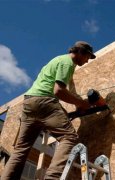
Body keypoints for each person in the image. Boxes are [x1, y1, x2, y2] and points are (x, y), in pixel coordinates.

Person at [1, 41, 96, 180]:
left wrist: (71, 108)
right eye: (88, 57)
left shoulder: (58, 59)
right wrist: (81, 103)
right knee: (69, 137)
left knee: (21, 150)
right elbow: (58, 91)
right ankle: (52, 177)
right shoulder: (67, 63)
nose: (87, 61)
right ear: (80, 52)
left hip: (29, 102)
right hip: (44, 101)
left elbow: (58, 92)